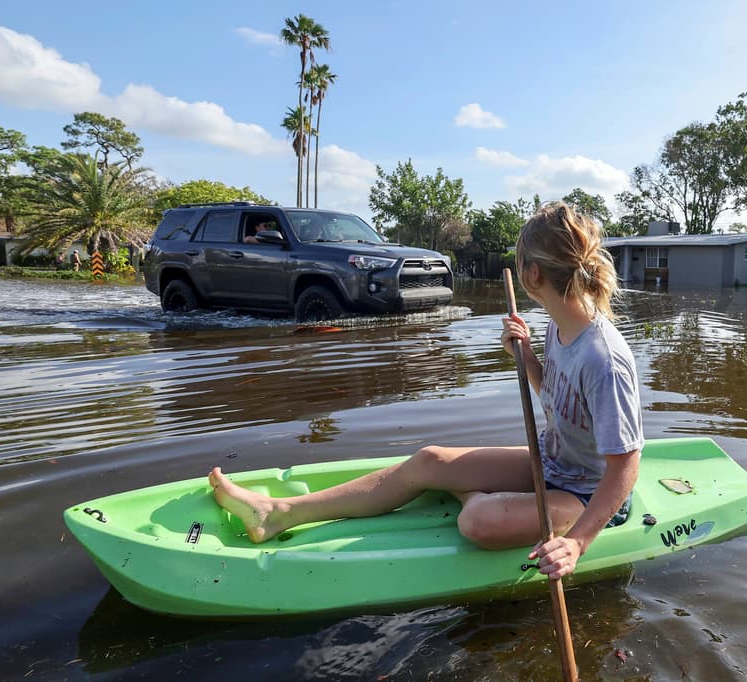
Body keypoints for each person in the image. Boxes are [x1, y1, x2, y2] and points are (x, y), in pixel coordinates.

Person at [208, 203, 643, 579]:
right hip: (550, 464)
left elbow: (625, 467)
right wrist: (526, 356)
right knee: (430, 459)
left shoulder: (604, 358)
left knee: (477, 519)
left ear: (530, 274)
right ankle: (280, 513)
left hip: (585, 494)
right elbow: (559, 400)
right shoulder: (557, 326)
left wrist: (579, 544)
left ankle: (486, 499)